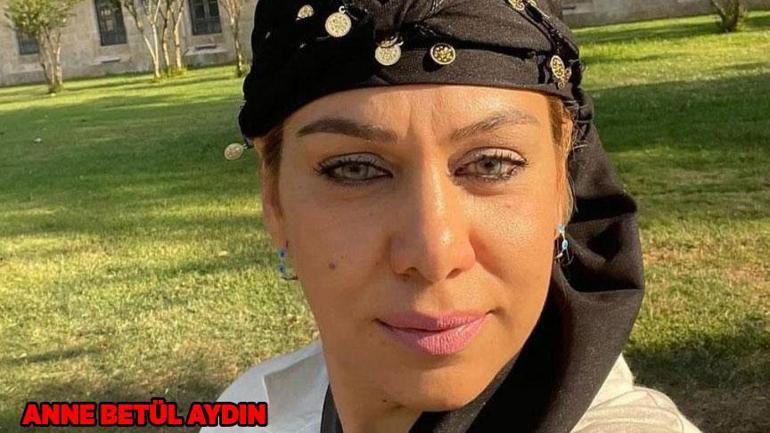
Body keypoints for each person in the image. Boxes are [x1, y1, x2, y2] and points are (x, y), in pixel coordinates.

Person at [207, 1, 703, 432]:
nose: (434, 254)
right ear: (274, 201)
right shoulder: (251, 408)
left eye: (492, 164)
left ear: (562, 183)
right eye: (355, 169)